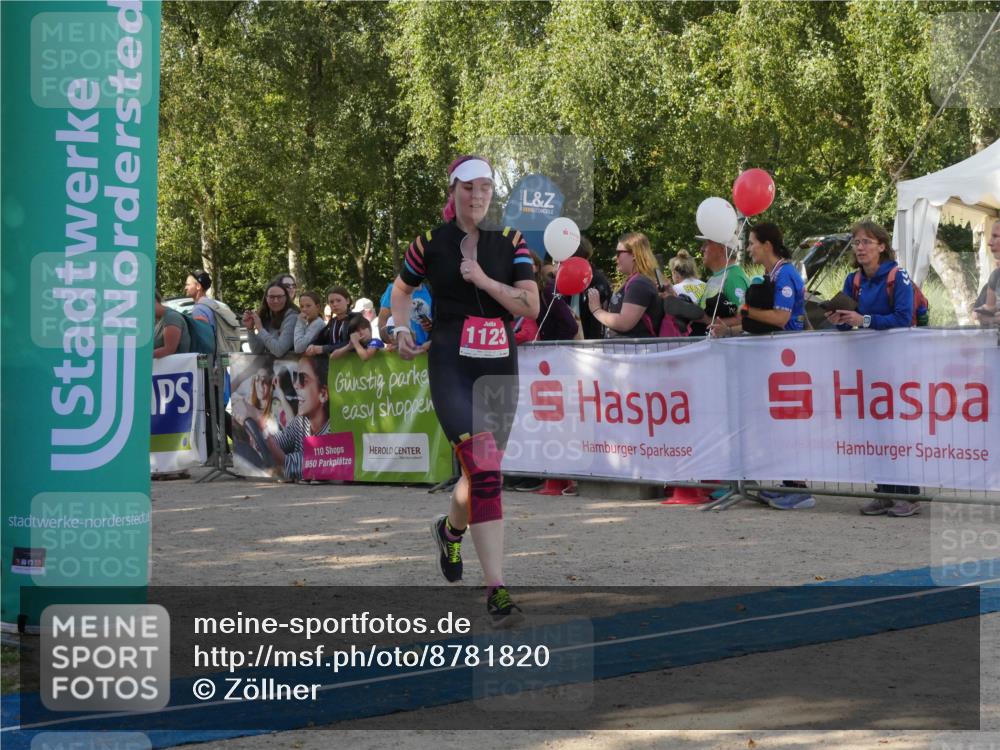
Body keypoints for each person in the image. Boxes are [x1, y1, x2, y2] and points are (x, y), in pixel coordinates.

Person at [391, 154, 539, 627]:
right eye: (469, 187)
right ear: (453, 191)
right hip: (451, 363)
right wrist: (399, 330)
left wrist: (484, 279)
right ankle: (496, 588)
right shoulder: (429, 243)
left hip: (499, 367)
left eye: (486, 189)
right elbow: (400, 290)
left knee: (482, 472)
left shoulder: (511, 242)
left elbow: (530, 305)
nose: (478, 197)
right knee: (484, 468)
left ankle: (449, 531)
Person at [826, 220, 921, 517]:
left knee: (898, 429)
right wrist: (837, 321)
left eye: (867, 241)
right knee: (873, 428)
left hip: (899, 366)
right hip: (866, 368)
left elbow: (904, 318)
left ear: (882, 245)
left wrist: (863, 320)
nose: (860, 247)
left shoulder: (897, 275)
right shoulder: (852, 280)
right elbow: (848, 325)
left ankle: (908, 494)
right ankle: (884, 491)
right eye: (856, 242)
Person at [264, 355, 330, 482]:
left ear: (323, 394)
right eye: (295, 377)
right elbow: (282, 440)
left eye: (303, 379)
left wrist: (260, 425)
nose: (295, 385)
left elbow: (290, 463)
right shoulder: (301, 421)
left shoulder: (332, 431)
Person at [586, 232, 663, 338]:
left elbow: (624, 323)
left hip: (633, 352)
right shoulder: (636, 281)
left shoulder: (639, 284)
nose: (615, 258)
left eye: (619, 253)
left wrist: (596, 310)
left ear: (634, 255)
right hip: (629, 351)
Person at [690, 237, 749, 336]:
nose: (702, 249)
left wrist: (708, 321)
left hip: (725, 349)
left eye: (707, 243)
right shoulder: (716, 277)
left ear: (722, 249)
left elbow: (744, 319)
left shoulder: (733, 277)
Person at [245, 283, 297, 358]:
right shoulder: (267, 316)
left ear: (286, 298)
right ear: (266, 298)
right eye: (272, 297)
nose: (275, 301)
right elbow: (257, 350)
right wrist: (250, 329)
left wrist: (260, 328)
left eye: (279, 297)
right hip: (272, 367)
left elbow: (279, 351)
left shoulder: (293, 317)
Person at [305, 286, 358, 356]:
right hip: (335, 363)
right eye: (331, 302)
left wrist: (324, 349)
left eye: (338, 300)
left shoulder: (357, 319)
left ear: (347, 301)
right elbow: (321, 338)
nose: (335, 304)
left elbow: (351, 343)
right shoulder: (333, 322)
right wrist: (312, 345)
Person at [379, 280, 433, 346]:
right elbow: (382, 328)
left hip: (426, 350)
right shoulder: (395, 289)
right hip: (404, 351)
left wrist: (431, 327)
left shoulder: (431, 290)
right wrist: (393, 341)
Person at [974, 219, 1000, 327]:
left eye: (995, 236)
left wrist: (992, 319)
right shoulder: (995, 276)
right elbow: (983, 312)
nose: (989, 242)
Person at [153, 291, 191, 358]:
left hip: (176, 367)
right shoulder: (157, 320)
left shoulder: (171, 317)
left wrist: (143, 355)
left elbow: (168, 350)